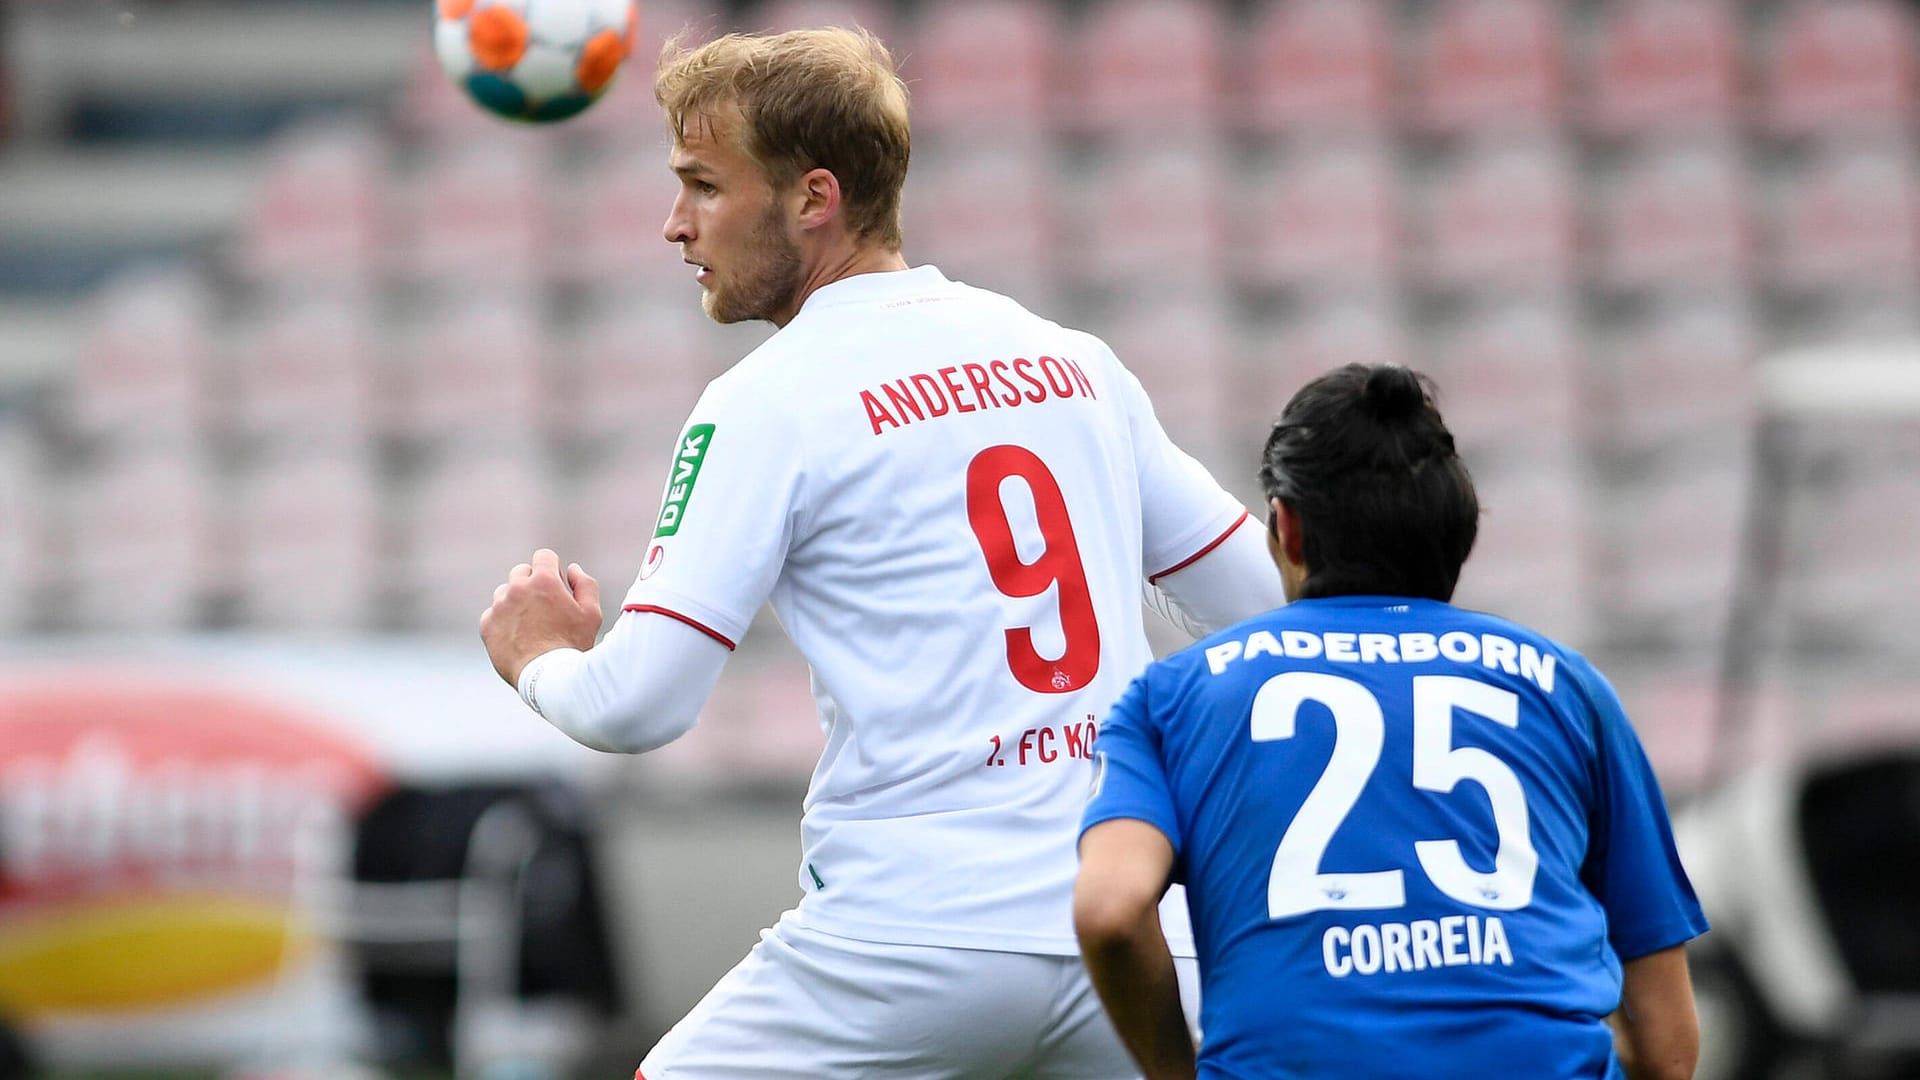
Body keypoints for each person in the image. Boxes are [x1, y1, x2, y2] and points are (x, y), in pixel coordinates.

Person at [478, 25, 1291, 1080]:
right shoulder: (1073, 363)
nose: (674, 225)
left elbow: (638, 705)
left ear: (814, 198)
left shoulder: (770, 400)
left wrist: (538, 658)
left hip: (910, 944)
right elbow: (1269, 600)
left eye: (704, 187)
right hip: (1133, 934)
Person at [1074, 363, 1708, 1080]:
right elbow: (1669, 1045)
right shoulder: (1566, 687)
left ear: (1285, 525)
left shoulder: (1173, 695)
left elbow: (1111, 910)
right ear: (1457, 530)